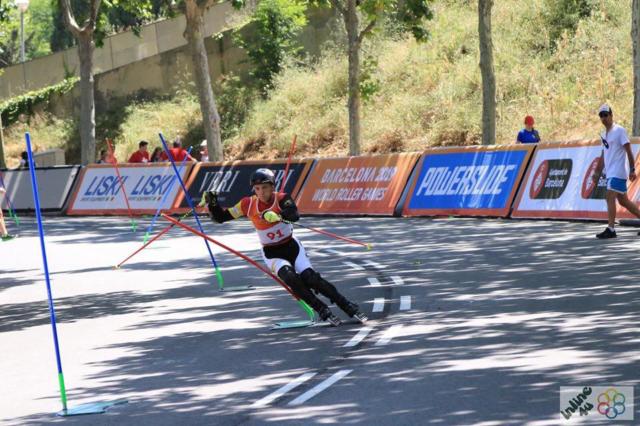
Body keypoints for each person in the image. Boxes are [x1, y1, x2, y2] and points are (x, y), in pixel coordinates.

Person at [203, 168, 367, 326]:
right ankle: (321, 309)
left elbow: (294, 214)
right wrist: (212, 203)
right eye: (257, 189)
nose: (261, 192)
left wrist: (279, 215)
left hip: (292, 247)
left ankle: (346, 305)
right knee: (290, 278)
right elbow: (220, 217)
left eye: (265, 188)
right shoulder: (247, 204)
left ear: (272, 187)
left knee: (311, 278)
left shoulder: (281, 198)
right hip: (272, 252)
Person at [593, 104, 640, 239]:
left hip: (618, 171)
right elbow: (603, 155)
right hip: (610, 173)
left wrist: (632, 169)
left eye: (606, 115)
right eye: (601, 116)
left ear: (611, 115)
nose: (604, 118)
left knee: (609, 196)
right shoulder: (603, 134)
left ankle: (611, 229)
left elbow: (628, 150)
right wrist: (597, 172)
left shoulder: (619, 130)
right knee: (624, 201)